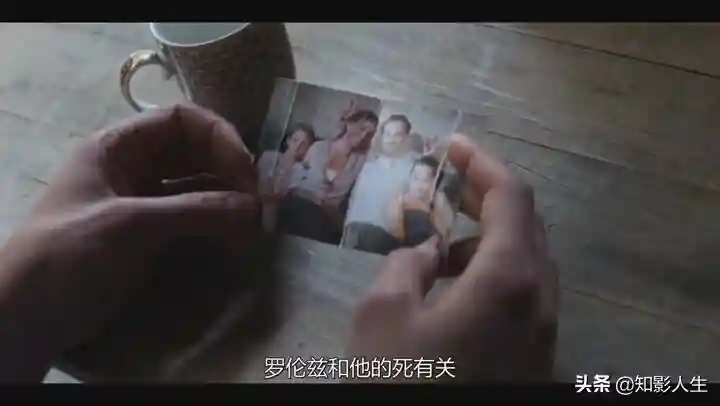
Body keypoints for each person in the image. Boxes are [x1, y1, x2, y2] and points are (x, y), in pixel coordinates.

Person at [0, 104, 557, 383]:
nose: (367, 134)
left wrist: (21, 300)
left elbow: (342, 204)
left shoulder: (374, 170)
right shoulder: (300, 153)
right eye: (363, 127)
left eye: (376, 131)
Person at [277, 105, 379, 245]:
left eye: (370, 134)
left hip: (327, 217)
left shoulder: (361, 162)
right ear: (349, 124)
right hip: (300, 205)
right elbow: (295, 179)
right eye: (362, 129)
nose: (363, 136)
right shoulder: (319, 147)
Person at [342, 114, 418, 255]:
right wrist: (346, 229)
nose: (391, 139)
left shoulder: (413, 168)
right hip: (353, 231)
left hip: (386, 235)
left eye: (397, 135)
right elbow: (354, 199)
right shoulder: (367, 165)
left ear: (406, 138)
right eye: (387, 134)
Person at [387, 155, 453, 248]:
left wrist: (431, 209)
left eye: (425, 181)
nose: (418, 186)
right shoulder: (400, 200)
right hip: (407, 250)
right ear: (410, 178)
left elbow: (446, 237)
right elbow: (396, 237)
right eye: (416, 178)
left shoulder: (438, 200)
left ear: (434, 183)